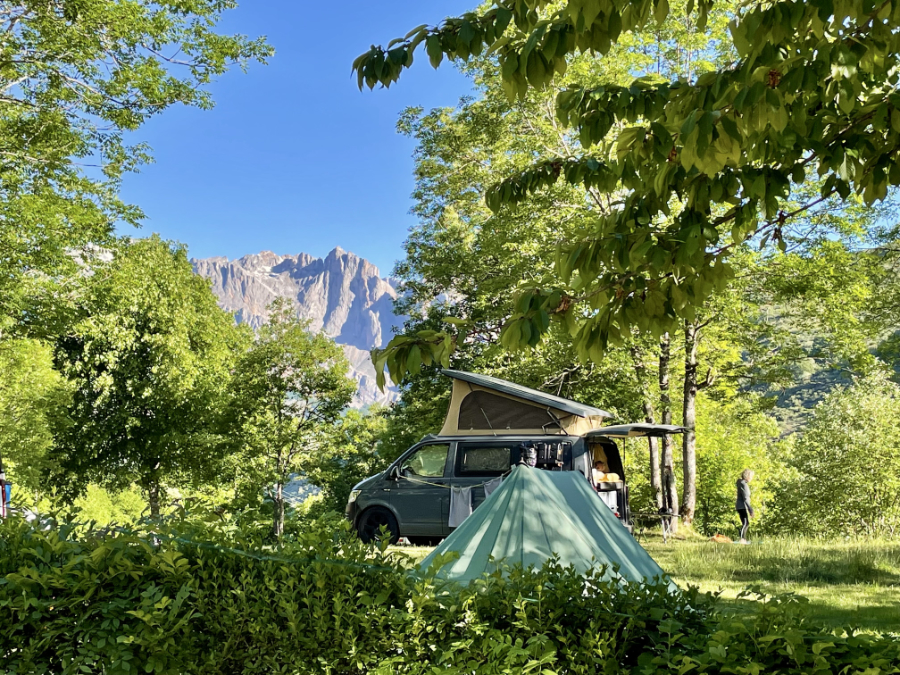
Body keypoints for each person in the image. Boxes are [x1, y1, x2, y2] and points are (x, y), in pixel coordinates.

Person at [736, 469, 755, 544]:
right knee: (745, 523)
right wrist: (751, 510)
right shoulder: (744, 485)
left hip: (741, 506)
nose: (752, 478)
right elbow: (746, 498)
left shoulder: (741, 483)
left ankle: (743, 539)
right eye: (751, 476)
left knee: (745, 523)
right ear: (747, 476)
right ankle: (742, 539)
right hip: (742, 506)